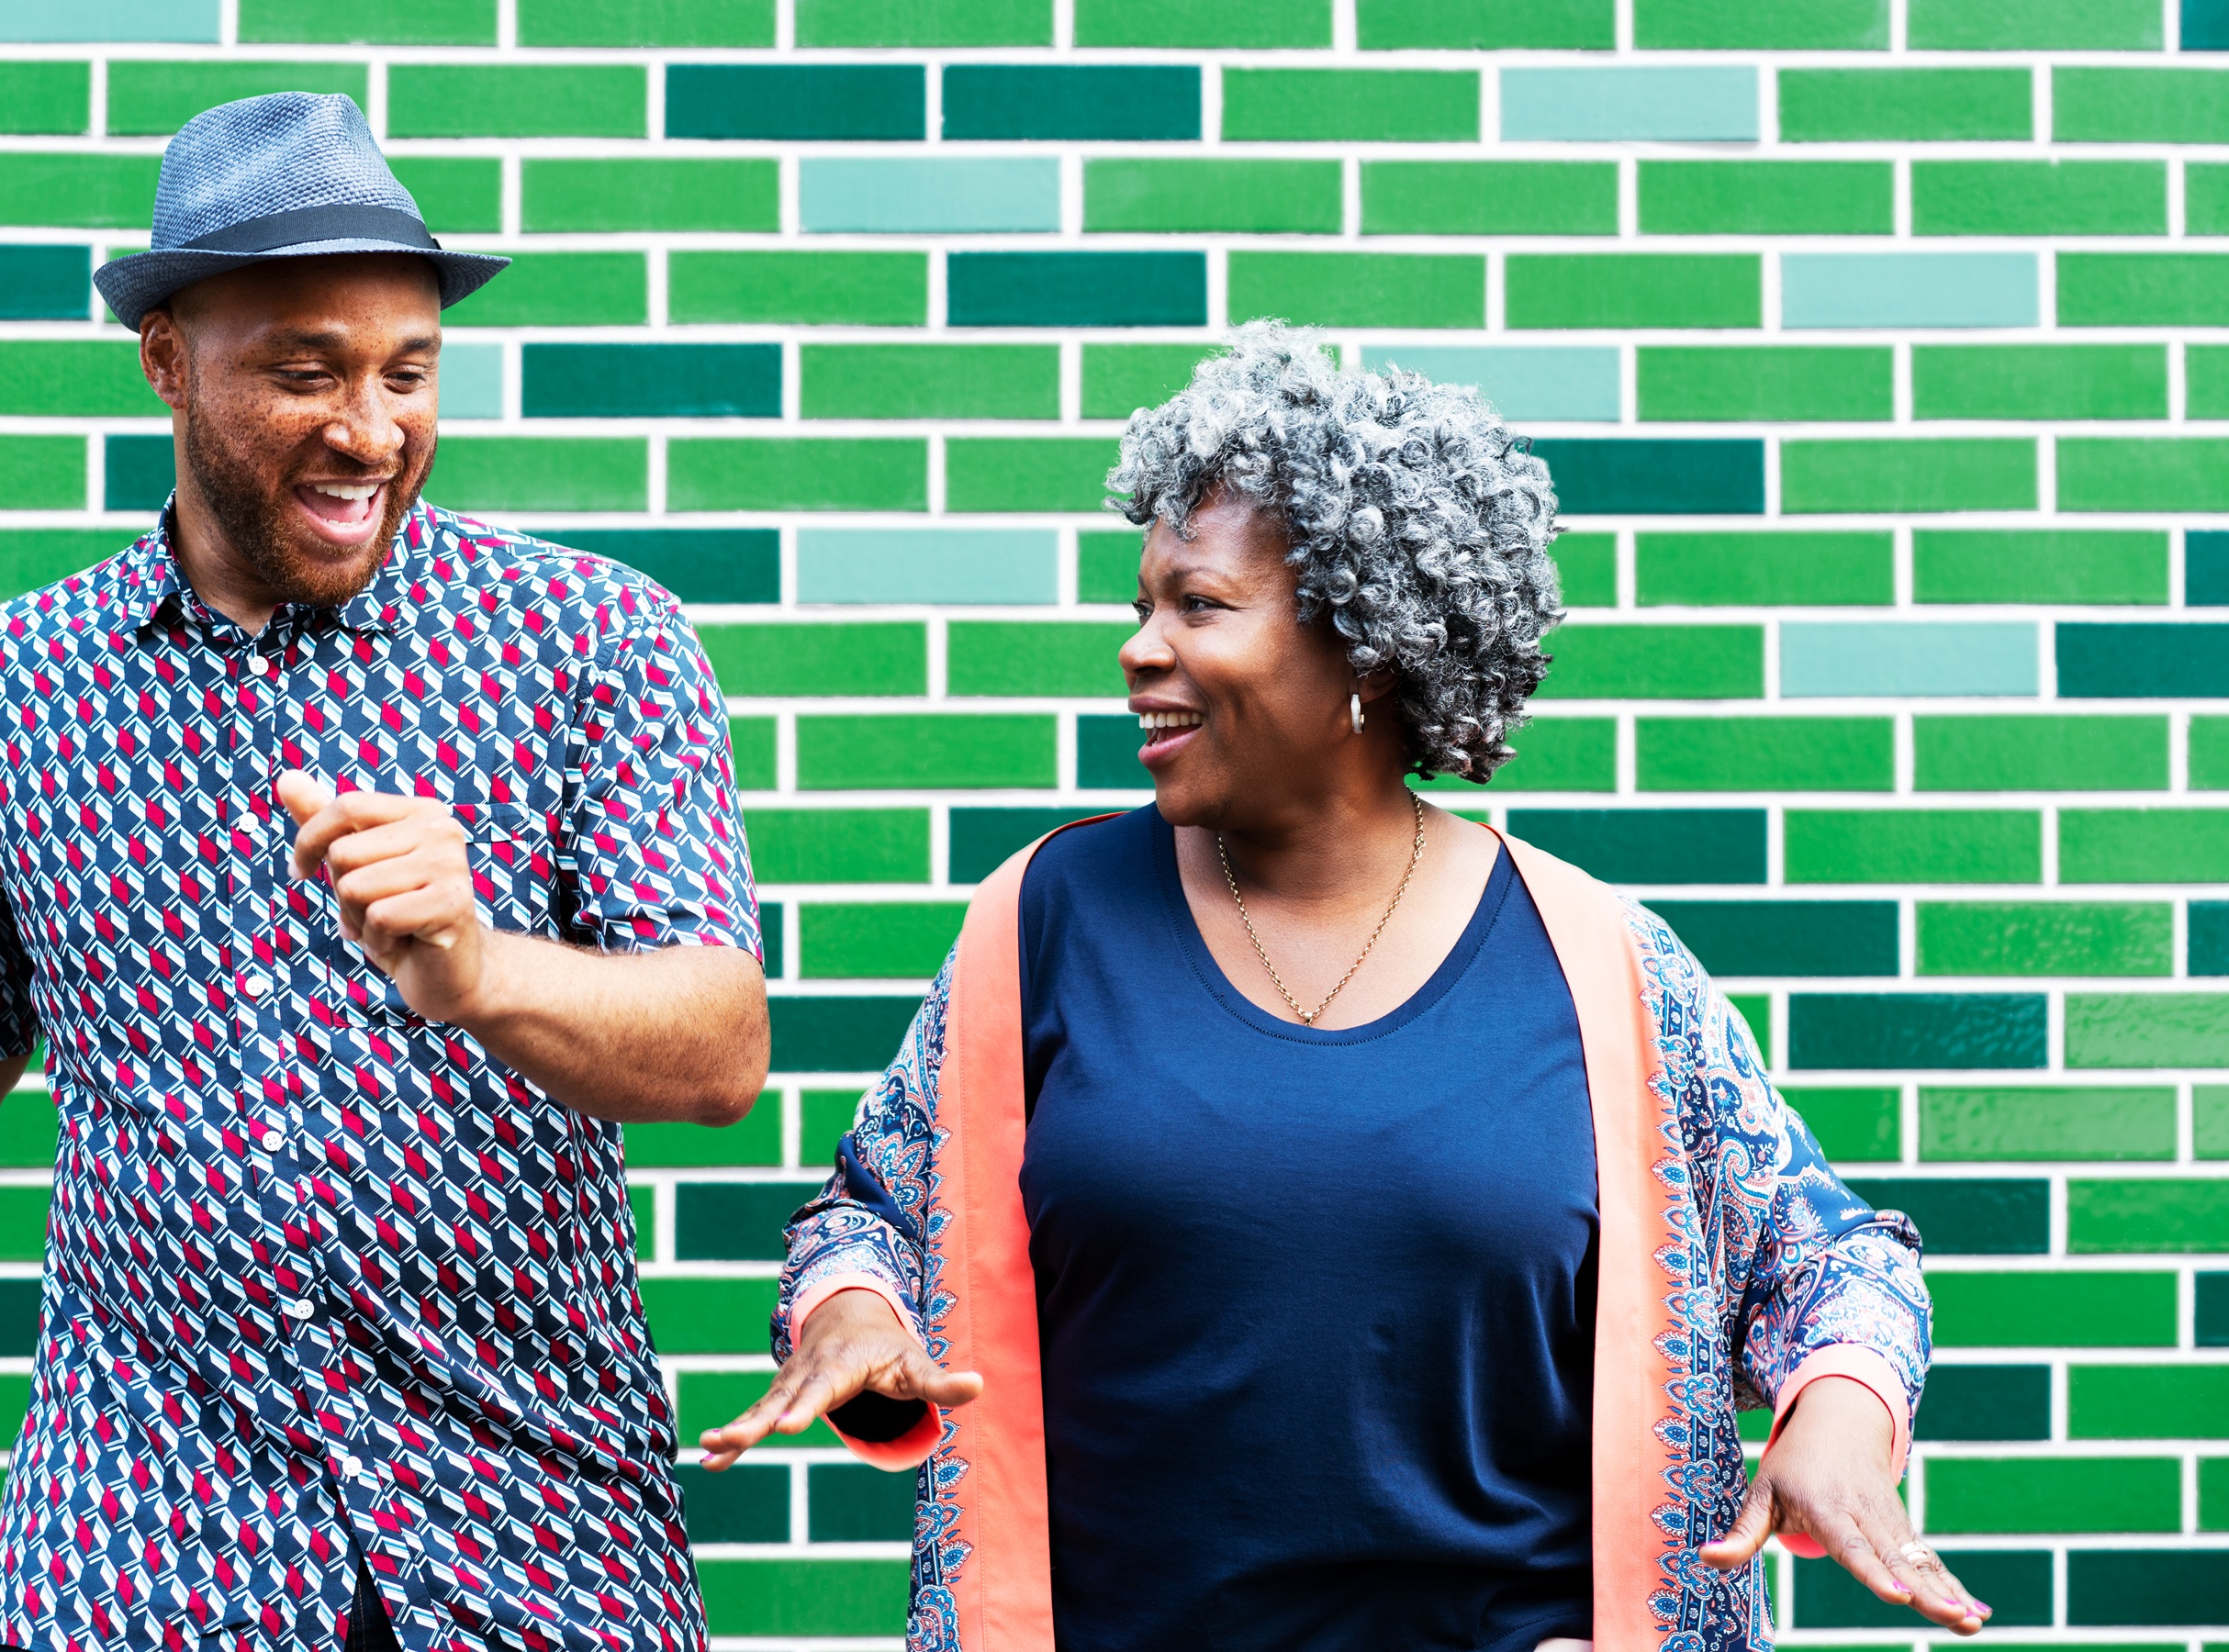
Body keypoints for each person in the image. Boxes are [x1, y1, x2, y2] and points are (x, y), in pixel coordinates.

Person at [0, 94, 769, 1652]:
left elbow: (718, 1049)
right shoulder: (19, 683)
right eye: (305, 372)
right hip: (139, 1548)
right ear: (165, 358)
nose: (370, 431)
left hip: (532, 1541)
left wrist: (483, 967)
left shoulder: (592, 643)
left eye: (408, 373)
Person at [697, 323, 1975, 1652]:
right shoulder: (1042, 920)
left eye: (1197, 605)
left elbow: (1831, 1262)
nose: (1138, 648)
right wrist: (853, 1314)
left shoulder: (1601, 962)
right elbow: (871, 1213)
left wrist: (1837, 1426)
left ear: (1366, 648)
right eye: (1141, 603)